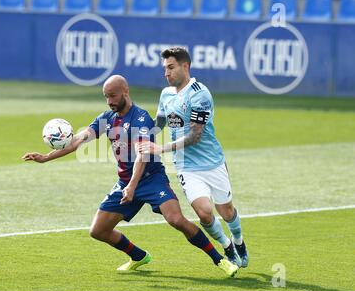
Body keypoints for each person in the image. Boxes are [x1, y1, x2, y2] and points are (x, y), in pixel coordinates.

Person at [22, 75, 238, 277]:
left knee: (176, 220)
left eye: (112, 96)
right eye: (105, 96)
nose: (108, 101)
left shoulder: (141, 118)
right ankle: (139, 256)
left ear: (125, 92)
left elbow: (142, 155)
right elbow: (78, 140)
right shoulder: (107, 118)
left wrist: (133, 186)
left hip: (152, 179)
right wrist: (46, 157)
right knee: (98, 230)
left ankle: (220, 260)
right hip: (125, 183)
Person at [140, 48, 249, 268]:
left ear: (185, 66)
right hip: (186, 166)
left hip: (212, 162)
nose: (166, 73)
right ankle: (227, 245)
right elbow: (159, 122)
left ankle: (239, 241)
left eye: (171, 67)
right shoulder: (166, 94)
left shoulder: (200, 94)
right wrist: (142, 135)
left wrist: (160, 148)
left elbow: (195, 136)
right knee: (204, 213)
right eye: (165, 69)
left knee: (226, 211)